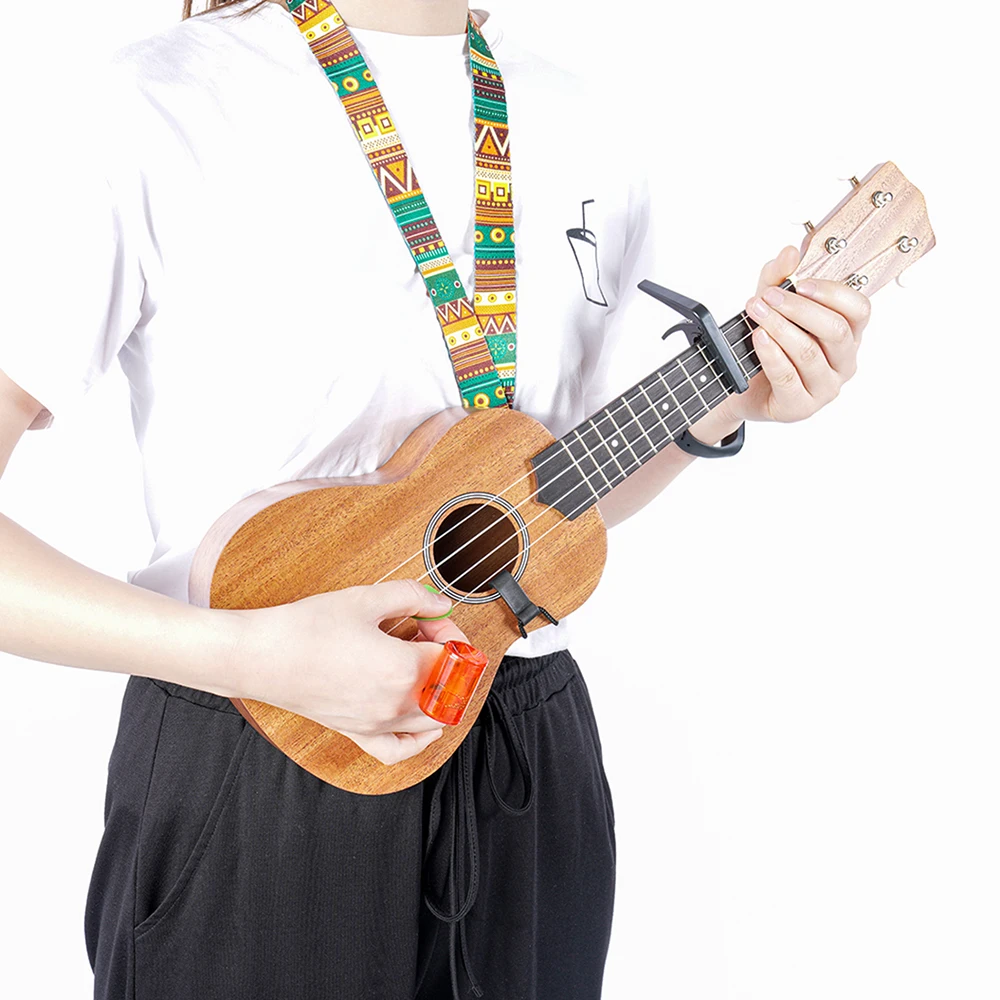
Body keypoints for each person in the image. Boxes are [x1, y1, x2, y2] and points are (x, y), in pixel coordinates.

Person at [0, 0, 871, 997]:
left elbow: (538, 503)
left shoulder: (584, 120)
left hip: (522, 756)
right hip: (258, 758)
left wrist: (719, 406)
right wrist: (247, 654)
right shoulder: (151, 101)